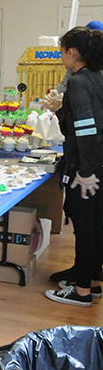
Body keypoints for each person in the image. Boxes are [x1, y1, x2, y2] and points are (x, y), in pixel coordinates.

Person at [44, 26, 103, 307]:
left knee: (84, 225)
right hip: (97, 162)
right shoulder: (97, 75)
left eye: (62, 51)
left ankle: (80, 291)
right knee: (94, 225)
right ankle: (91, 280)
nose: (61, 56)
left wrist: (86, 171)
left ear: (72, 52)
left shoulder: (79, 82)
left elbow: (85, 129)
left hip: (87, 166)